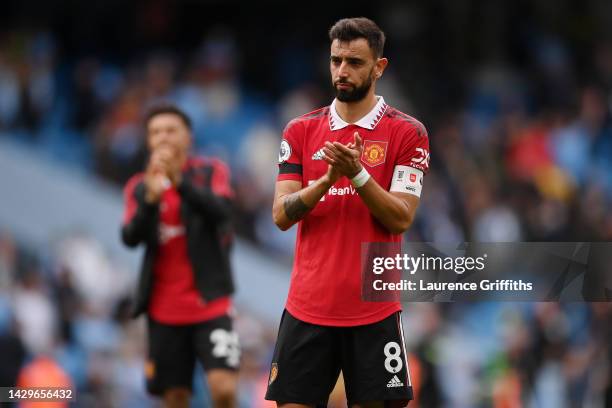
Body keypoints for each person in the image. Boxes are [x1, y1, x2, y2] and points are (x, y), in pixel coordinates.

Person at [265, 17, 430, 408]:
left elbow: (401, 216)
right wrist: (325, 180)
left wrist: (357, 173)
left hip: (374, 310)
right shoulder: (300, 130)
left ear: (379, 67)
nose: (342, 70)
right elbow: (281, 215)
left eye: (355, 62)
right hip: (308, 307)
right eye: (336, 60)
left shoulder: (407, 133)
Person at [121, 103, 240, 408]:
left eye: (171, 130)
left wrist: (180, 182)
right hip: (164, 311)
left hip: (210, 304)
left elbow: (223, 213)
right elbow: (130, 238)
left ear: (188, 137)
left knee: (224, 388)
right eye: (156, 132)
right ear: (148, 140)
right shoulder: (138, 187)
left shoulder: (211, 171)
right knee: (174, 397)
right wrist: (150, 200)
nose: (163, 137)